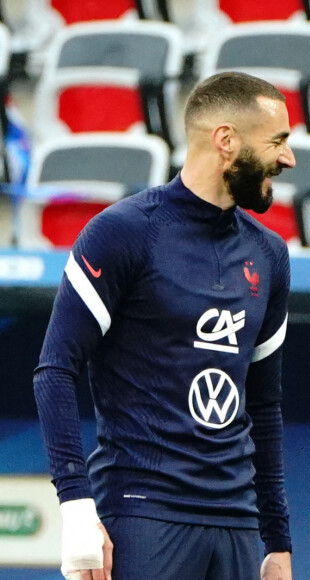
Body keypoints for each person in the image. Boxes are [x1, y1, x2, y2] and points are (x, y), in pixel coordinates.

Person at [33, 71, 296, 580]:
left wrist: (278, 541)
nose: (288, 158)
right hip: (142, 514)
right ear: (226, 141)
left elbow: (263, 405)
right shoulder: (123, 232)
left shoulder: (270, 254)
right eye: (278, 141)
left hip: (238, 525)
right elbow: (55, 369)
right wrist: (76, 507)